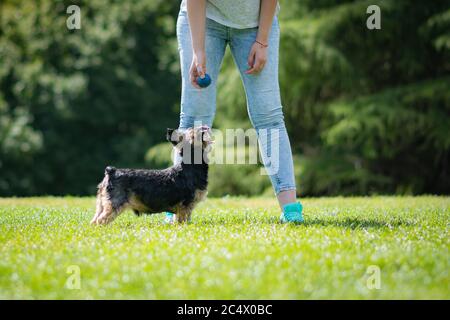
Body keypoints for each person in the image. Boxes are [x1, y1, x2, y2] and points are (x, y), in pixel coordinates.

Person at [166, 0, 303, 223]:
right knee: (194, 117)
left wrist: (262, 41)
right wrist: (198, 51)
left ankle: (291, 210)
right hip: (204, 23)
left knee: (269, 116)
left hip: (255, 26)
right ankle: (176, 208)